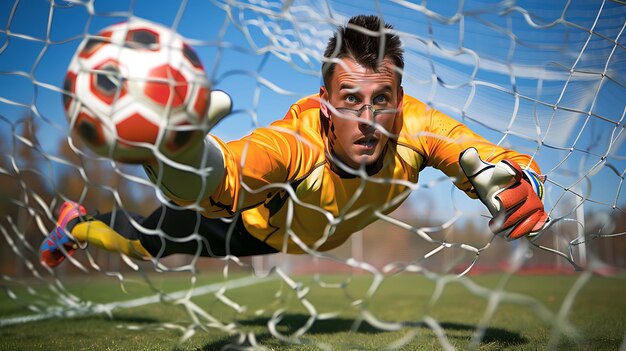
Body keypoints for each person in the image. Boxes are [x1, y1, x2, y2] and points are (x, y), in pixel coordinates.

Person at [40, 15, 549, 268]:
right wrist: (181, 152)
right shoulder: (296, 141)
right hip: (254, 224)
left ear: (399, 96)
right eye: (350, 100)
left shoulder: (417, 127)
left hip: (312, 233)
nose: (369, 118)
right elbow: (229, 175)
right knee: (146, 241)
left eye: (382, 99)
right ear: (324, 101)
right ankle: (77, 224)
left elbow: (487, 158)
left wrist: (515, 181)